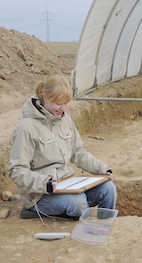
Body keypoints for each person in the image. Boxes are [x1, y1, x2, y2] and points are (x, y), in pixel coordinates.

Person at [8, 75, 116, 220]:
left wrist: (102, 169)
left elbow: (78, 152)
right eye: (59, 103)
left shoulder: (65, 119)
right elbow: (16, 171)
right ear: (45, 97)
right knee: (78, 203)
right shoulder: (26, 128)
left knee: (108, 189)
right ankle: (84, 231)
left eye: (66, 103)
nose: (63, 108)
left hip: (67, 185)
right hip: (40, 195)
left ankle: (105, 226)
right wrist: (44, 184)